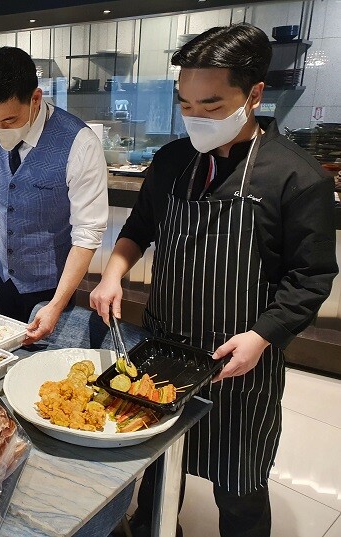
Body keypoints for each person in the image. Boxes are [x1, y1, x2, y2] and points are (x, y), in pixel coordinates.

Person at [90, 23, 337, 537]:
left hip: (241, 362)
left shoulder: (297, 177)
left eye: (212, 105)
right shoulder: (172, 161)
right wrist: (113, 274)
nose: (195, 117)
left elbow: (311, 278)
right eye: (185, 104)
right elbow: (140, 228)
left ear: (255, 95)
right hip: (163, 352)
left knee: (240, 486)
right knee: (160, 472)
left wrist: (262, 337)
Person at [0, 46, 109, 343]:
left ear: (35, 99)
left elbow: (87, 232)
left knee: (44, 354)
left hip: (52, 282)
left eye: (9, 120)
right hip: (5, 272)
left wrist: (56, 304)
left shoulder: (80, 143)